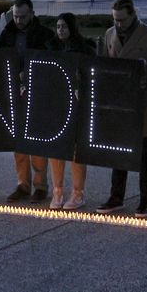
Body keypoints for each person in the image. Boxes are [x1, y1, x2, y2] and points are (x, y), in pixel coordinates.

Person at [96, 0, 147, 217]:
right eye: (115, 20)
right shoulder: (109, 35)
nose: (118, 24)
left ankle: (146, 199)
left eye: (122, 20)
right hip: (120, 101)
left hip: (143, 101)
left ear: (133, 15)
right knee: (119, 152)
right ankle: (116, 196)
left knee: (145, 155)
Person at [0, 0, 55, 203]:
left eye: (22, 16)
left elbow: (51, 63)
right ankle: (23, 184)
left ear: (32, 14)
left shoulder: (44, 34)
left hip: (37, 93)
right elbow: (1, 60)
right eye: (15, 16)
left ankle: (40, 186)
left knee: (36, 140)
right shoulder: (8, 33)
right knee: (19, 142)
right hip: (14, 93)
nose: (19, 20)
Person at [46, 12, 96, 210]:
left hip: (76, 105)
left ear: (72, 28)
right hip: (56, 104)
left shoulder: (85, 49)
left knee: (76, 150)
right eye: (58, 27)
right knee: (55, 149)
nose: (60, 30)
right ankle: (57, 191)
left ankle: (77, 193)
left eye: (64, 26)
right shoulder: (50, 48)